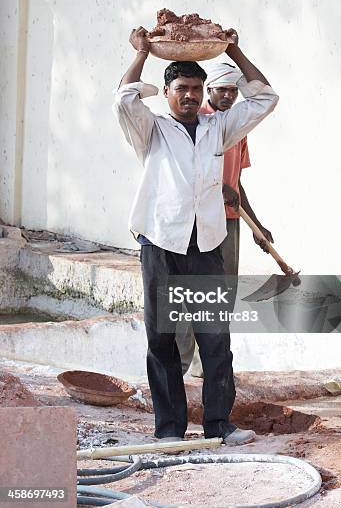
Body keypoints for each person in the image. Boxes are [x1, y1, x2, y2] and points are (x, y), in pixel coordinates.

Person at [113, 26, 279, 445]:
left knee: (215, 341)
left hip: (206, 246)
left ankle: (220, 425)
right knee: (163, 341)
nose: (190, 95)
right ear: (167, 93)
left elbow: (266, 98)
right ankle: (170, 429)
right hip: (161, 246)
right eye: (182, 88)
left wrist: (236, 51)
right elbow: (122, 98)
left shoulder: (218, 129)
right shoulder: (150, 131)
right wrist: (142, 54)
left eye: (195, 88)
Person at [178, 62, 274, 377]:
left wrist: (257, 226)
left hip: (230, 221)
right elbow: (191, 175)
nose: (229, 96)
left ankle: (206, 366)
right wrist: (219, 188)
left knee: (221, 295)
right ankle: (180, 364)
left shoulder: (235, 127)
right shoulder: (197, 123)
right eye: (223, 90)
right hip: (200, 221)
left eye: (234, 91)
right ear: (210, 91)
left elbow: (237, 183)